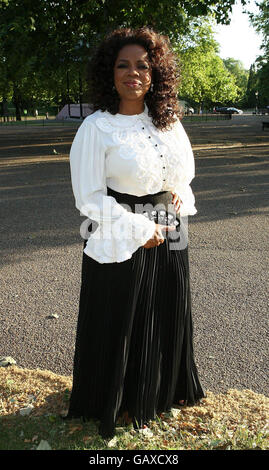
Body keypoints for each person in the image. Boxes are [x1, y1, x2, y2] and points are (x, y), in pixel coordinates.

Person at [65, 26, 205, 439]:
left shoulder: (169, 122)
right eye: (123, 65)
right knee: (122, 316)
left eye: (143, 66)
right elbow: (88, 198)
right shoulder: (96, 128)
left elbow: (183, 173)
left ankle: (162, 393)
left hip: (170, 230)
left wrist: (179, 194)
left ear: (155, 73)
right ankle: (122, 400)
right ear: (109, 73)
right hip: (117, 229)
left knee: (166, 309)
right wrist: (138, 227)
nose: (134, 73)